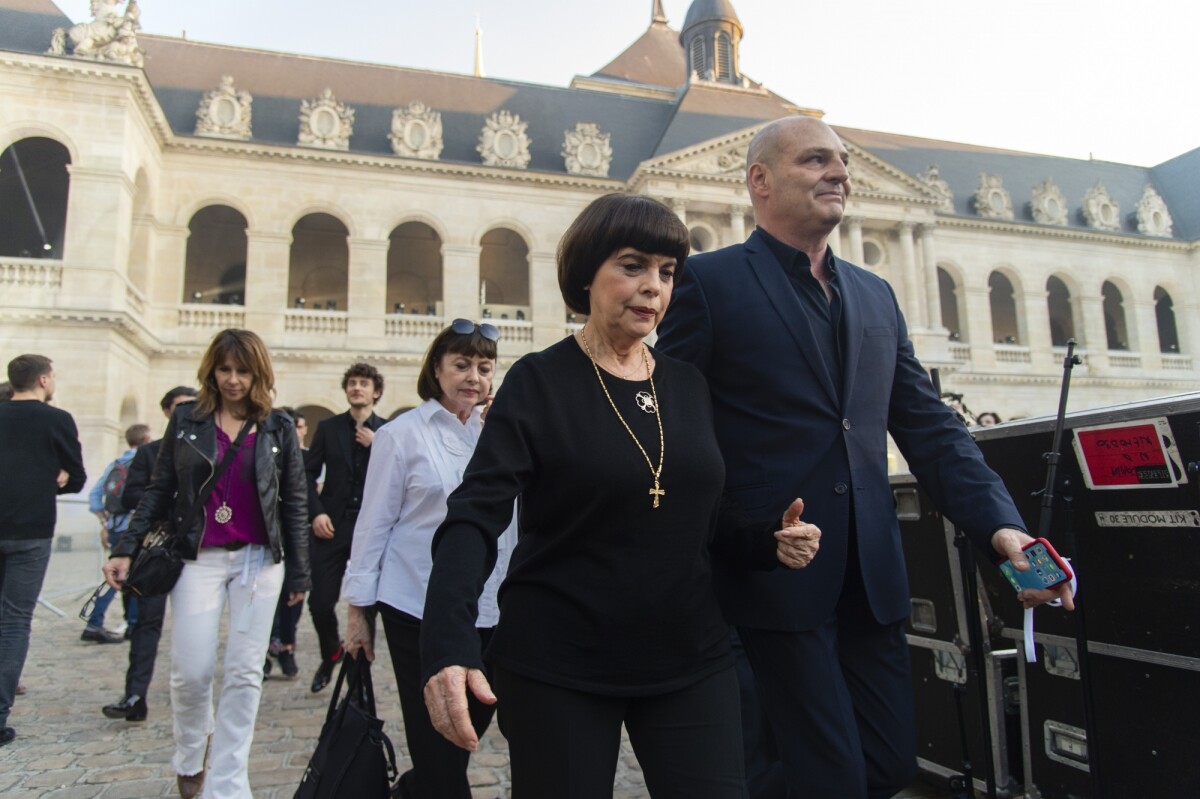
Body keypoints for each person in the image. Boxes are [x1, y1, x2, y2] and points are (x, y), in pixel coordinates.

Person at [655, 116, 1074, 799]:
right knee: (828, 777)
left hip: (872, 582)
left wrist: (1005, 534)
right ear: (758, 181)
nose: (840, 172)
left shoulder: (876, 295)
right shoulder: (709, 283)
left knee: (885, 768)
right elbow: (671, 433)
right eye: (815, 160)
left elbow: (932, 430)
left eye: (843, 161)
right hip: (769, 584)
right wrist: (742, 529)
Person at [420, 193, 819, 798]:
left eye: (666, 272)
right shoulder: (538, 381)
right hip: (560, 663)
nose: (653, 287)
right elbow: (474, 517)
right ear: (587, 275)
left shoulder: (687, 385)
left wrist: (770, 541)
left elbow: (706, 518)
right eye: (632, 266)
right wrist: (447, 642)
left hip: (691, 657)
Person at [103, 330, 310, 798]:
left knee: (244, 672)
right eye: (224, 369)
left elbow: (294, 501)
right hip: (198, 557)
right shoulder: (187, 420)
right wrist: (124, 548)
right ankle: (191, 751)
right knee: (191, 669)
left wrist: (299, 571)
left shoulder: (277, 426)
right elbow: (159, 490)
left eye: (242, 370)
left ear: (258, 373)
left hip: (259, 560)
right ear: (211, 371)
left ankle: (229, 782)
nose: (233, 380)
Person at [342, 320, 516, 799]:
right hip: (416, 605)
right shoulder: (401, 435)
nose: (473, 377)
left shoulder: (501, 434)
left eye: (484, 367)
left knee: (467, 729)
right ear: (436, 369)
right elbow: (374, 523)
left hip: (491, 606)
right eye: (461, 365)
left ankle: (414, 790)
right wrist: (358, 611)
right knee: (438, 744)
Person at [0, 354, 87, 747]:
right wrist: (49, 488)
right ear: (42, 380)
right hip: (31, 529)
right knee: (15, 622)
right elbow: (77, 475)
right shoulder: (56, 419)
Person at [101, 386, 197, 722]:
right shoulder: (149, 452)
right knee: (146, 622)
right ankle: (135, 694)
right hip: (158, 548)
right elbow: (133, 498)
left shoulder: (211, 450)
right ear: (168, 413)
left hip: (197, 551)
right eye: (180, 407)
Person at [304, 363, 386, 692]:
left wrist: (377, 444)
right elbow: (307, 475)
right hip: (332, 524)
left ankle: (357, 678)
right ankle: (331, 651)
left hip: (370, 526)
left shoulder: (388, 431)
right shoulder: (327, 428)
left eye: (363, 383)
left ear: (375, 391)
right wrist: (316, 513)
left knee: (367, 606)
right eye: (352, 383)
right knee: (320, 602)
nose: (357, 388)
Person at [82, 423, 152, 644]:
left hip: (114, 526)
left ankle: (123, 623)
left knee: (120, 576)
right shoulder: (144, 462)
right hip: (135, 528)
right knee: (128, 578)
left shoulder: (116, 463)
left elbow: (94, 498)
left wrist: (105, 522)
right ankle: (106, 623)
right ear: (146, 441)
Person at [264, 406, 308, 680]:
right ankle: (267, 649)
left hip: (299, 533)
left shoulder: (308, 457)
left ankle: (287, 647)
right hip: (271, 535)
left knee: (294, 595)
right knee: (269, 598)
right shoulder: (267, 452)